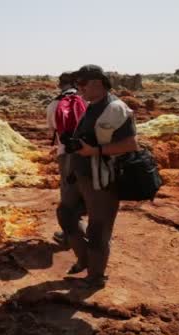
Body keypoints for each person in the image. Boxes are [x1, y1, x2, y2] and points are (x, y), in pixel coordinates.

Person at [56, 65, 138, 288]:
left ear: (97, 83)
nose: (78, 88)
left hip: (103, 178)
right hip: (82, 175)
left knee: (98, 229)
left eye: (82, 84)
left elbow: (131, 144)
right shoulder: (91, 106)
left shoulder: (116, 108)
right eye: (77, 84)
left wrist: (95, 151)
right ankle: (84, 259)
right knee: (65, 213)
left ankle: (96, 276)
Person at [46, 72, 86, 246]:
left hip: (66, 154)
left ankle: (70, 235)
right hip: (89, 153)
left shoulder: (55, 104)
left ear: (59, 85)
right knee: (88, 191)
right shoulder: (87, 100)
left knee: (68, 194)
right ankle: (91, 231)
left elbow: (52, 129)